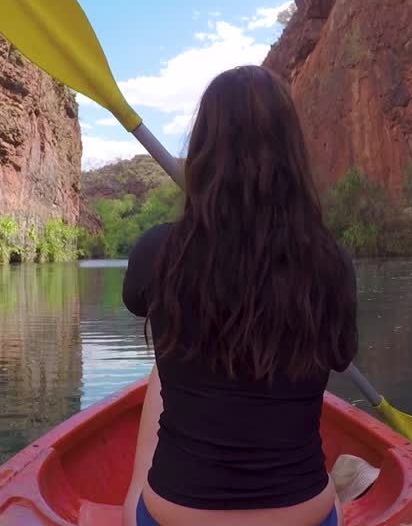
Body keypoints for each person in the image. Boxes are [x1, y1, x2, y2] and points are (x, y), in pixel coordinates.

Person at [121, 65, 358, 526]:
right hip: (302, 516)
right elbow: (340, 356)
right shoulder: (332, 264)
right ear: (293, 155)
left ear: (204, 154)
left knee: (164, 360)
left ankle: (133, 494)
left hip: (176, 516)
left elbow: (137, 301)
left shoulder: (156, 251)